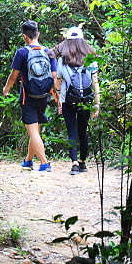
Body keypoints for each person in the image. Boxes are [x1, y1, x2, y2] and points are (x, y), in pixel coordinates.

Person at [2, 20, 58, 171]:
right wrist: (56, 95)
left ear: (24, 37)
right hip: (44, 95)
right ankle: (28, 160)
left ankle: (45, 163)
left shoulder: (22, 52)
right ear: (38, 34)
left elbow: (14, 76)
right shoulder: (49, 52)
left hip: (28, 96)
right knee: (36, 130)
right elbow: (54, 75)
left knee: (33, 131)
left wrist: (6, 89)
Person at [53, 26, 100, 175]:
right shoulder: (91, 58)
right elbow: (95, 82)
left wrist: (59, 99)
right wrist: (97, 103)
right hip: (86, 100)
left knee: (72, 132)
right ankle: (83, 162)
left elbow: (58, 82)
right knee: (83, 131)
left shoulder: (62, 60)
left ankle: (74, 164)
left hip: (68, 100)